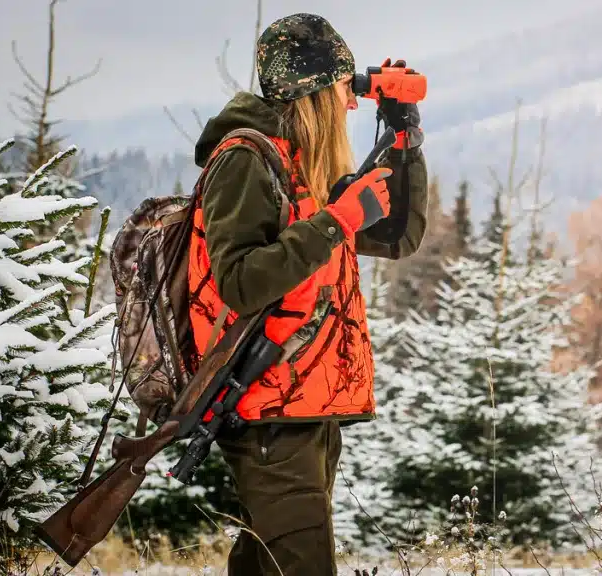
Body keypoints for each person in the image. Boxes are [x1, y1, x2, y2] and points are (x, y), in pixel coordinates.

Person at [185, 12, 428, 575]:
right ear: (313, 90)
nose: (351, 103)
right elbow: (242, 283)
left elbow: (398, 236)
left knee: (266, 566)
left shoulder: (305, 165)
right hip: (266, 408)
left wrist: (404, 136)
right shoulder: (245, 160)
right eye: (345, 88)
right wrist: (336, 220)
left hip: (308, 404)